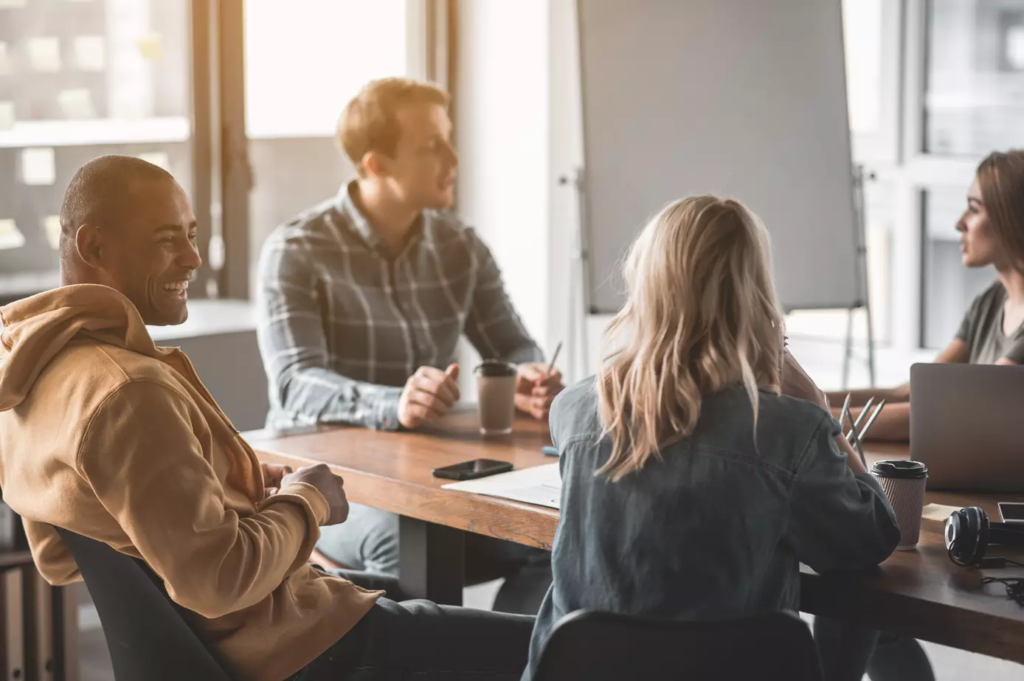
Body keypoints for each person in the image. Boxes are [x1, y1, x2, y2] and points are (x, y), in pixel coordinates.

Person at [0, 156, 533, 681]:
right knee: (557, 647)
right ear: (94, 246)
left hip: (258, 631)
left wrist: (229, 492)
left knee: (414, 591)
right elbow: (218, 581)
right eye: (168, 239)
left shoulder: (35, 378)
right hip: (299, 650)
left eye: (192, 235)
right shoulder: (128, 390)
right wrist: (308, 501)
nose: (193, 258)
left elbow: (61, 557)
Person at [520, 196, 904, 681]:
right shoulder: (790, 434)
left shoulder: (573, 411)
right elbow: (872, 537)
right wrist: (817, 407)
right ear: (754, 299)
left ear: (647, 289)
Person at [256, 78, 561, 595]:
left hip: (434, 473)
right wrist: (394, 403)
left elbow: (512, 345)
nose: (453, 157)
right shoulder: (296, 251)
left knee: (555, 543)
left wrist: (529, 373)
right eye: (431, 146)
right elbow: (294, 383)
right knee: (403, 547)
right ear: (376, 163)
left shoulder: (459, 244)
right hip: (326, 480)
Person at [827, 149, 1024, 442]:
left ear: (1012, 218)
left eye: (974, 208)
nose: (960, 223)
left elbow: (944, 415)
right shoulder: (990, 302)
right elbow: (912, 391)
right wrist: (806, 398)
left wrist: (815, 420)